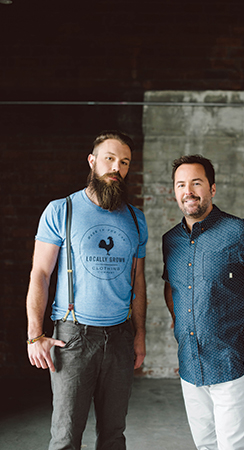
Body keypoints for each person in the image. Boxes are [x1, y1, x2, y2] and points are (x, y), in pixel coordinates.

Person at [162, 154, 244, 450]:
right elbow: (172, 287)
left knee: (232, 448)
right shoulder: (170, 240)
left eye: (196, 182)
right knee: (205, 445)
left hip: (231, 360)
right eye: (180, 184)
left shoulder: (241, 233)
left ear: (212, 188)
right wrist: (180, 322)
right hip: (189, 362)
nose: (188, 191)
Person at [26, 130, 148, 450]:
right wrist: (34, 334)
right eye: (109, 158)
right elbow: (40, 273)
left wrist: (139, 335)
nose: (116, 167)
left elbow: (139, 281)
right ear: (92, 161)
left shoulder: (136, 219)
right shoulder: (61, 210)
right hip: (73, 337)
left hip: (121, 337)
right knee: (66, 437)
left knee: (113, 436)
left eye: (124, 162)